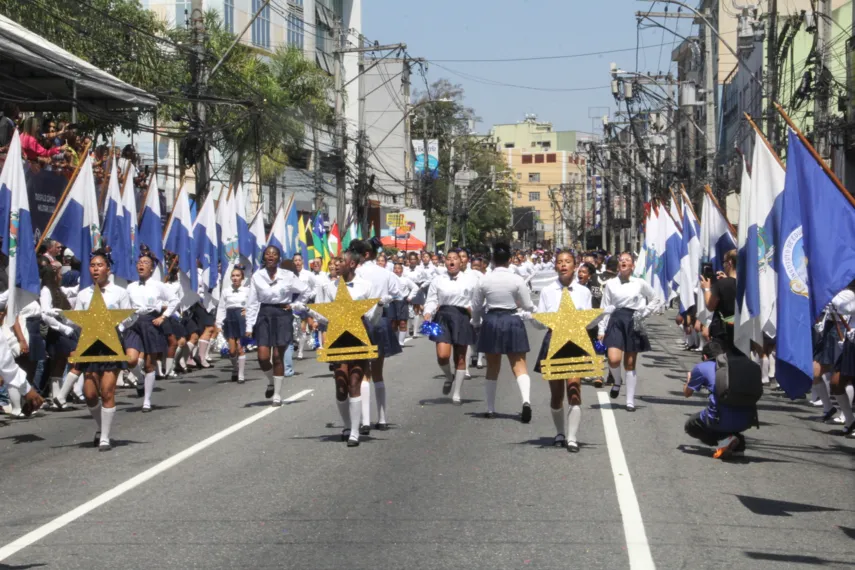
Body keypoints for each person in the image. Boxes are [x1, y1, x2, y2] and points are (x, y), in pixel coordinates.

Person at [310, 251, 376, 447]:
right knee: (341, 384)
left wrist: (379, 306)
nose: (337, 265)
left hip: (358, 335)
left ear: (353, 264)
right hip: (338, 336)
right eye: (335, 262)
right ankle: (347, 425)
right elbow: (322, 315)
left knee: (355, 380)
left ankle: (355, 431)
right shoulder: (328, 287)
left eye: (342, 262)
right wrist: (310, 312)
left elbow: (372, 317)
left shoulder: (366, 286)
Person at [533, 251, 593, 451]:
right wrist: (533, 317)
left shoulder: (583, 292)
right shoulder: (547, 291)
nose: (564, 265)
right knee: (556, 394)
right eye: (560, 262)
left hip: (575, 343)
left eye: (568, 262)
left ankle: (572, 437)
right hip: (553, 343)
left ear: (575, 265)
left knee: (574, 391)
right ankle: (560, 432)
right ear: (556, 267)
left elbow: (588, 321)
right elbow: (539, 323)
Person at [471, 242, 536, 421]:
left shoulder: (484, 279)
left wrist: (476, 323)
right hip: (512, 320)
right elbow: (528, 304)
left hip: (491, 320)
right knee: (519, 365)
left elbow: (476, 306)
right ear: (509, 260)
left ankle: (491, 408)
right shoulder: (517, 279)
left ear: (492, 260)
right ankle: (526, 401)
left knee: (492, 366)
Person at [75, 249, 132, 451]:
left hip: (111, 343)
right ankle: (102, 427)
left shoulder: (120, 292)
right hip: (90, 344)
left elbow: (128, 319)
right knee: (90, 393)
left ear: (108, 268)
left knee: (107, 391)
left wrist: (114, 328)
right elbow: (79, 321)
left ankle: (105, 438)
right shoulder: (83, 294)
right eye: (92, 265)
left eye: (99, 265)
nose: (95, 269)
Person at [245, 246, 310, 406]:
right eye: (268, 254)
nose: (271, 256)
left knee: (277, 357)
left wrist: (295, 305)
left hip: (282, 314)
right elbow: (252, 302)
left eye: (274, 254)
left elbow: (306, 290)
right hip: (264, 315)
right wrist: (249, 325)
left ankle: (277, 395)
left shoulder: (287, 275)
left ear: (279, 258)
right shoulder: (257, 276)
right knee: (263, 357)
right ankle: (271, 381)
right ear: (264, 257)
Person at [597, 252, 663, 412]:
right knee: (613, 359)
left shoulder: (639, 283)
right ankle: (617, 381)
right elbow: (604, 306)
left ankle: (629, 400)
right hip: (615, 320)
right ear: (618, 265)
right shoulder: (611, 284)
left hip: (633, 321)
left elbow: (655, 298)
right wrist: (601, 328)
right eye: (621, 260)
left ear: (632, 266)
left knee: (630, 363)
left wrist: (644, 313)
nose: (624, 262)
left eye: (627, 260)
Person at [353, 237, 402, 433]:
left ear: (365, 254)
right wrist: (384, 300)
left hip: (360, 321)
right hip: (380, 320)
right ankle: (381, 418)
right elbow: (398, 292)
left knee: (364, 371)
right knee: (378, 371)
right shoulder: (385, 273)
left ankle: (365, 421)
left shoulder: (355, 272)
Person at [683, 341, 759, 458]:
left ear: (705, 357)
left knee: (691, 425)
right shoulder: (734, 365)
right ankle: (737, 444)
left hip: (720, 419)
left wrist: (689, 379)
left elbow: (687, 393)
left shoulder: (702, 367)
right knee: (730, 410)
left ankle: (723, 440)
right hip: (747, 420)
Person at [124, 247, 177, 412]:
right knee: (130, 360)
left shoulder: (158, 285)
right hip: (134, 323)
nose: (141, 265)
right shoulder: (131, 287)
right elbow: (125, 306)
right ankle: (139, 379)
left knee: (149, 364)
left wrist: (164, 316)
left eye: (145, 263)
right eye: (139, 263)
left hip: (151, 322)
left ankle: (146, 400)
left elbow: (175, 300)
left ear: (152, 268)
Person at [423, 251, 477, 404]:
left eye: (455, 259)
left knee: (460, 356)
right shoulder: (438, 280)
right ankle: (448, 376)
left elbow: (477, 300)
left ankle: (457, 393)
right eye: (449, 259)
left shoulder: (470, 280)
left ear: (461, 262)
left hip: (462, 317)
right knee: (442, 355)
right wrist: (428, 312)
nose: (452, 262)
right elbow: (432, 299)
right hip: (442, 317)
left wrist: (473, 311)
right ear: (445, 262)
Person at [215, 265, 249, 383]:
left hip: (241, 319)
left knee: (240, 347)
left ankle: (241, 375)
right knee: (232, 350)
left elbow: (255, 304)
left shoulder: (247, 291)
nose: (235, 278)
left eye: (237, 276)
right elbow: (221, 308)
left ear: (242, 278)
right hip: (229, 318)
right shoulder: (226, 291)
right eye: (233, 276)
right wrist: (218, 323)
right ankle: (235, 368)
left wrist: (247, 310)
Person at [701, 249, 737, 352]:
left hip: (723, 330)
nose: (723, 265)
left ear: (730, 263)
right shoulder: (745, 283)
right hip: (740, 329)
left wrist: (707, 289)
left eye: (724, 262)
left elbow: (710, 306)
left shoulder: (722, 284)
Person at [390, 261, 418, 346]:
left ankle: (401, 342)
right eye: (395, 268)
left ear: (402, 270)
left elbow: (415, 287)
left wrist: (410, 297)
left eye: (399, 268)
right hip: (392, 303)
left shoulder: (406, 280)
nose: (397, 270)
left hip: (403, 303)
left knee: (402, 322)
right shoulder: (390, 279)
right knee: (394, 323)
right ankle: (394, 341)